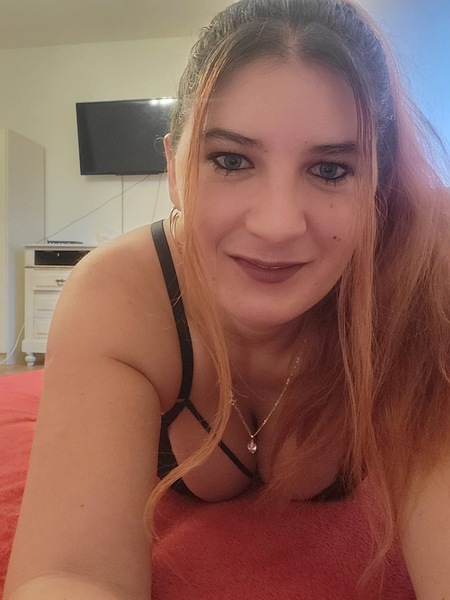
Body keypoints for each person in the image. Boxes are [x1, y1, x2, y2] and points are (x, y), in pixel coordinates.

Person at [4, 0, 450, 598]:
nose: (277, 225)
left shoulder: (421, 288)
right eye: (231, 160)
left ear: (378, 182)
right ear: (174, 168)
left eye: (330, 170)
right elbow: (70, 573)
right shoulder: (120, 295)